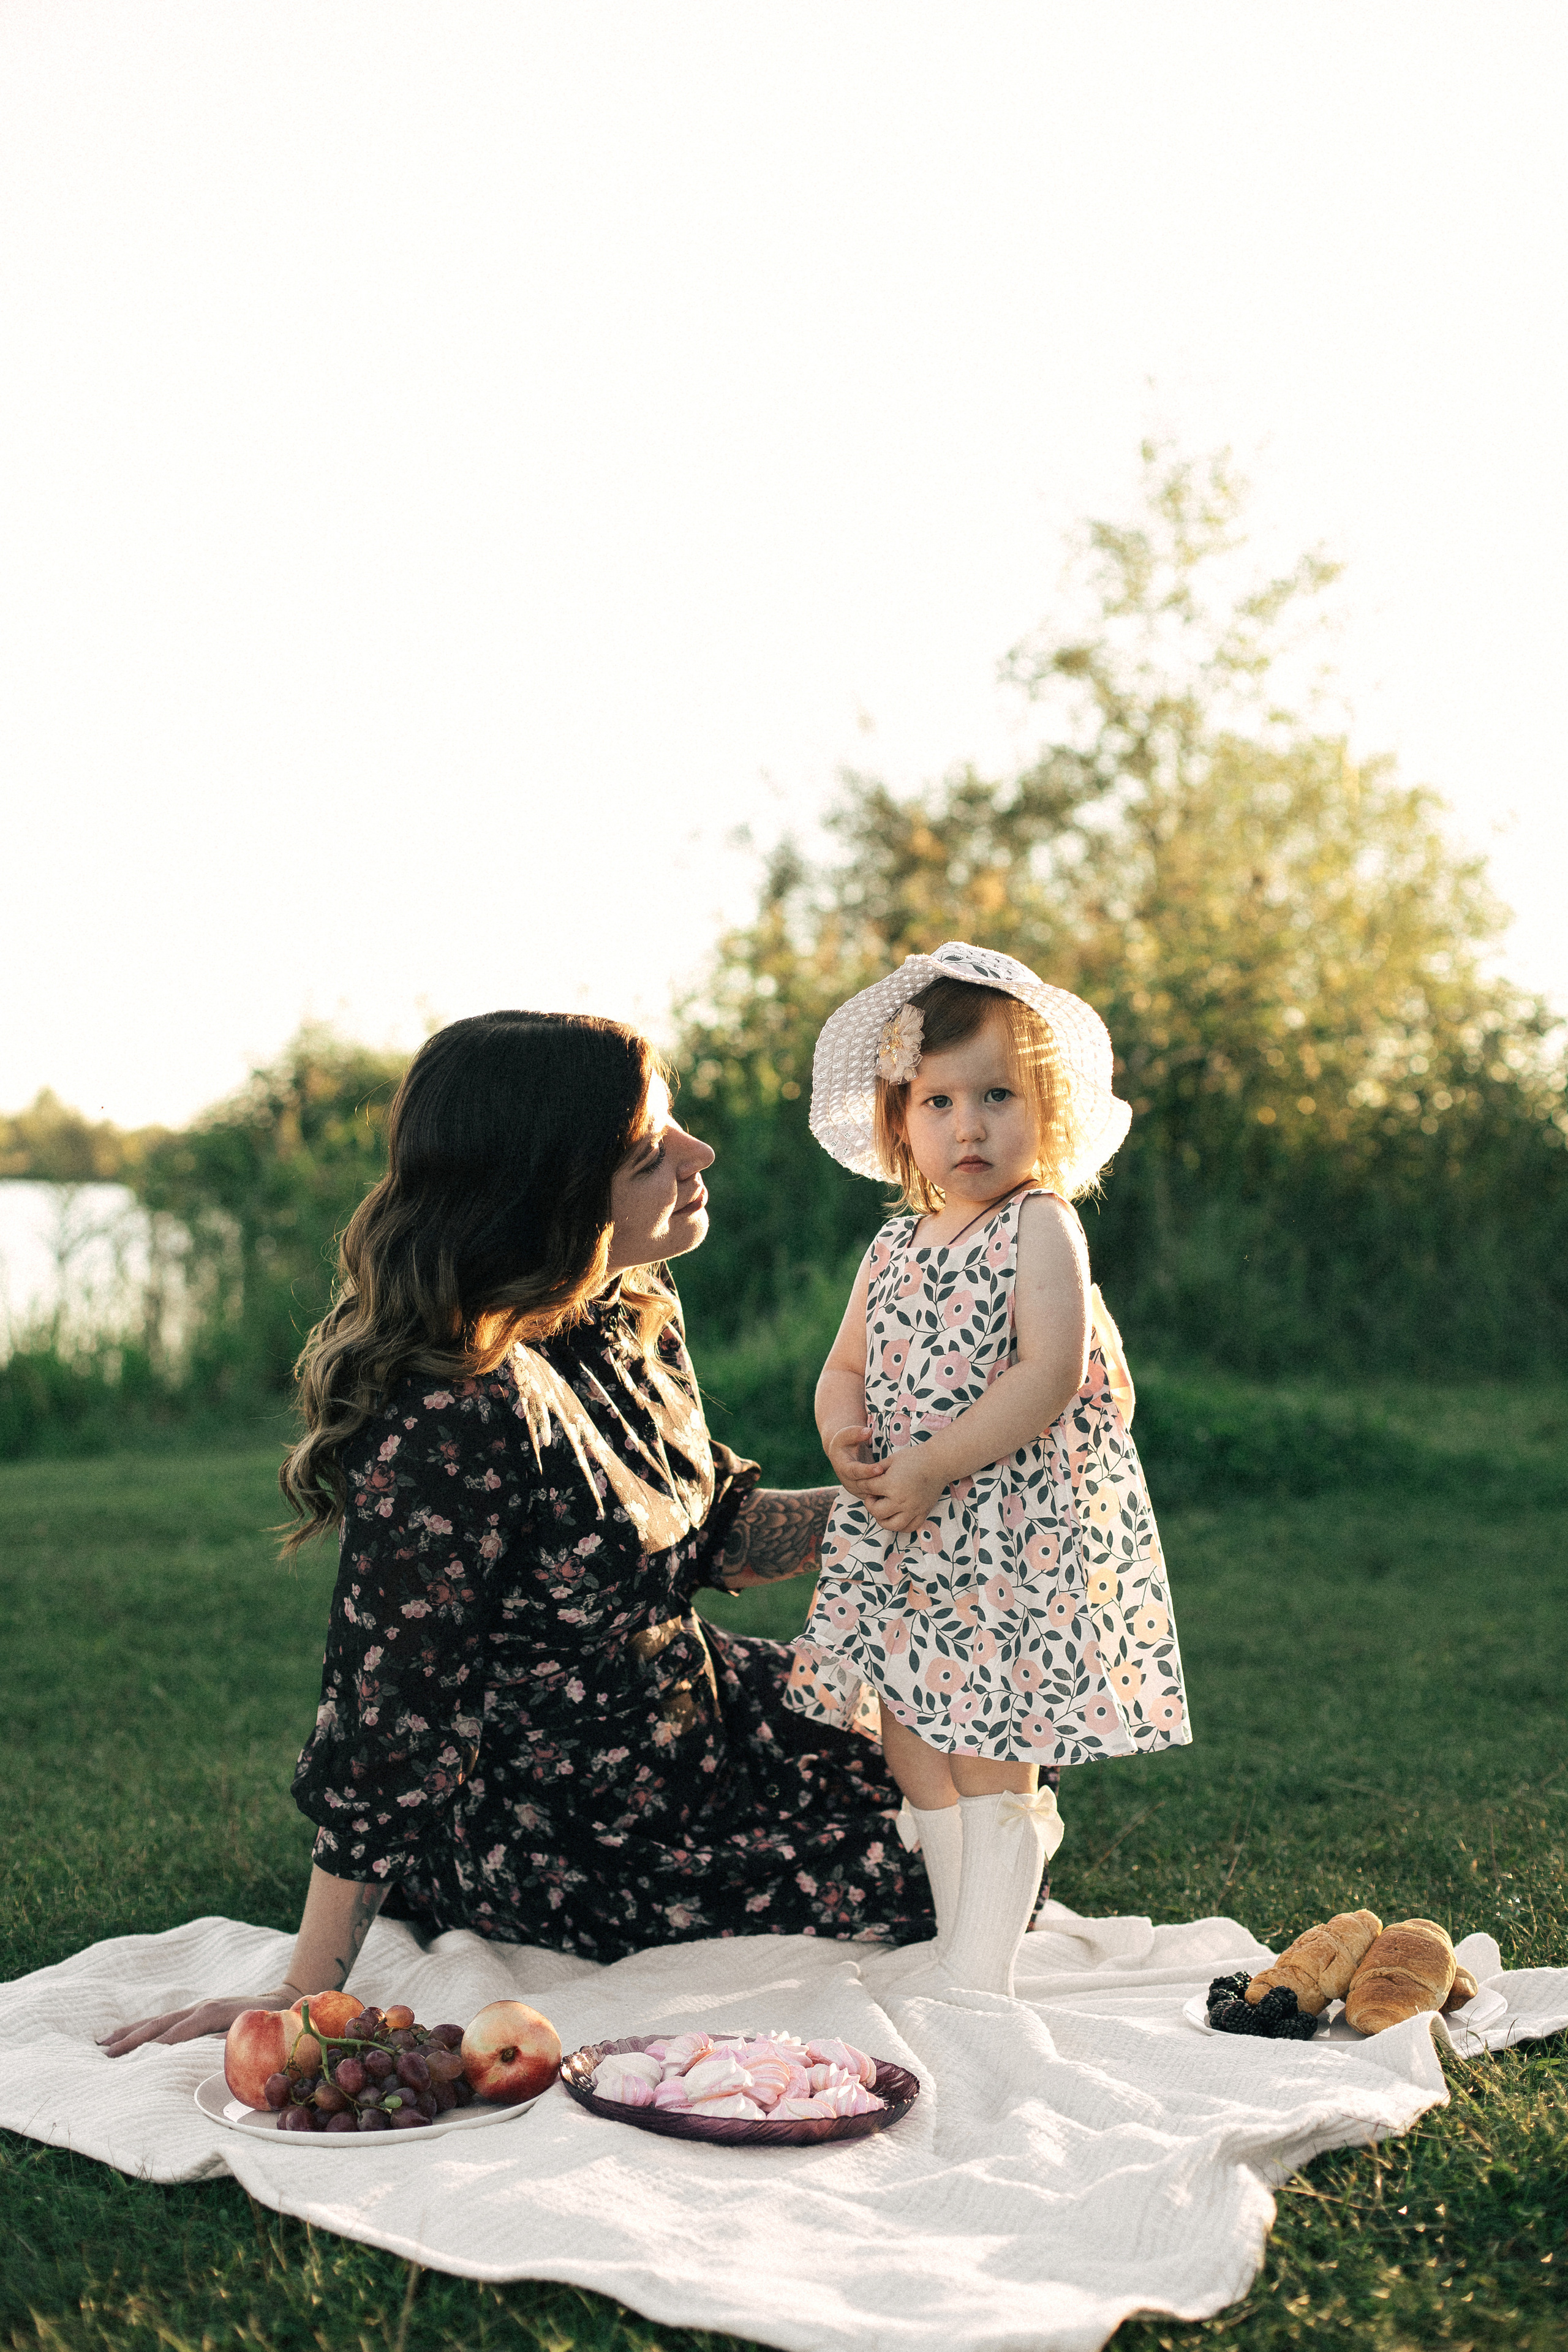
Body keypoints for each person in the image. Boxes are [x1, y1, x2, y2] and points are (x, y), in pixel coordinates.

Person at [103, 1010, 932, 2057]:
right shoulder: (452, 1415)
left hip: (696, 1721)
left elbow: (709, 1535)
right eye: (647, 1153)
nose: (697, 1155)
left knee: (960, 1767)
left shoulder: (620, 1301)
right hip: (566, 1823)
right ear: (552, 1200)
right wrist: (306, 1991)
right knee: (924, 1875)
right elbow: (391, 1723)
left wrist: (922, 1486)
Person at [786, 941, 1190, 1997]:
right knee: (911, 1733)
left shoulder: (1040, 1227)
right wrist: (845, 1434)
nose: (968, 1127)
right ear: (899, 1120)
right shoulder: (894, 1247)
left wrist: (931, 1465)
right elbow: (844, 1365)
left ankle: (981, 1966)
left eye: (999, 1096)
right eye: (938, 1101)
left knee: (990, 1732)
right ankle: (962, 1925)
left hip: (1005, 1527)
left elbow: (1047, 1373)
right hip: (908, 1532)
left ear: (1048, 1113)